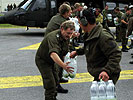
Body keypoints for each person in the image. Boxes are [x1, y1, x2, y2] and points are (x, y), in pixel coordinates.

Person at [70, 8, 122, 84]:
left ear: (85, 22)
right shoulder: (92, 34)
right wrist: (77, 52)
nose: (80, 26)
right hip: (100, 72)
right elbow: (90, 46)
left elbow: (116, 54)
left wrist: (106, 71)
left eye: (79, 23)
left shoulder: (103, 36)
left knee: (102, 95)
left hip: (107, 74)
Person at [35, 20, 75, 100]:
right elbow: (53, 54)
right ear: (62, 29)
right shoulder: (53, 37)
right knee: (50, 83)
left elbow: (64, 52)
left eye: (71, 33)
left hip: (53, 60)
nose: (69, 36)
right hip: (43, 60)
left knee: (56, 80)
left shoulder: (65, 37)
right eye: (68, 33)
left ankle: (53, 97)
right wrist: (63, 65)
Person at [44, 3, 72, 86]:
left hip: (51, 41)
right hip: (52, 43)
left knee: (61, 58)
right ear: (66, 13)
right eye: (69, 12)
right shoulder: (63, 22)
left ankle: (59, 78)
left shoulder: (55, 17)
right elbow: (66, 33)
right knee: (57, 63)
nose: (70, 13)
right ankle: (57, 83)